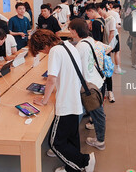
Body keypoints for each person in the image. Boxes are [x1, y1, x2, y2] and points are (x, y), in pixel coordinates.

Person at [30, 29, 96, 172]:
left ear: (44, 45)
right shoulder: (68, 45)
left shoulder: (54, 51)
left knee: (55, 143)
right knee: (72, 138)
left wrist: (44, 100)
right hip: (74, 100)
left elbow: (52, 78)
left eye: (42, 50)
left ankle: (84, 162)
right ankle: (72, 167)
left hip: (66, 103)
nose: (44, 53)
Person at [69, 19, 106, 151]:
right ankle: (98, 136)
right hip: (97, 81)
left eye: (70, 29)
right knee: (97, 112)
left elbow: (73, 66)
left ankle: (100, 141)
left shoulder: (80, 46)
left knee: (96, 114)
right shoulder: (89, 40)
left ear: (74, 31)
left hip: (89, 87)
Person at [85, 3, 115, 102]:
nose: (88, 16)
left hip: (99, 52)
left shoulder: (96, 23)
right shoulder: (101, 19)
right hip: (105, 49)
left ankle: (101, 98)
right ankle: (110, 93)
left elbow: (97, 40)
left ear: (92, 11)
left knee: (101, 74)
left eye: (88, 14)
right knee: (107, 71)